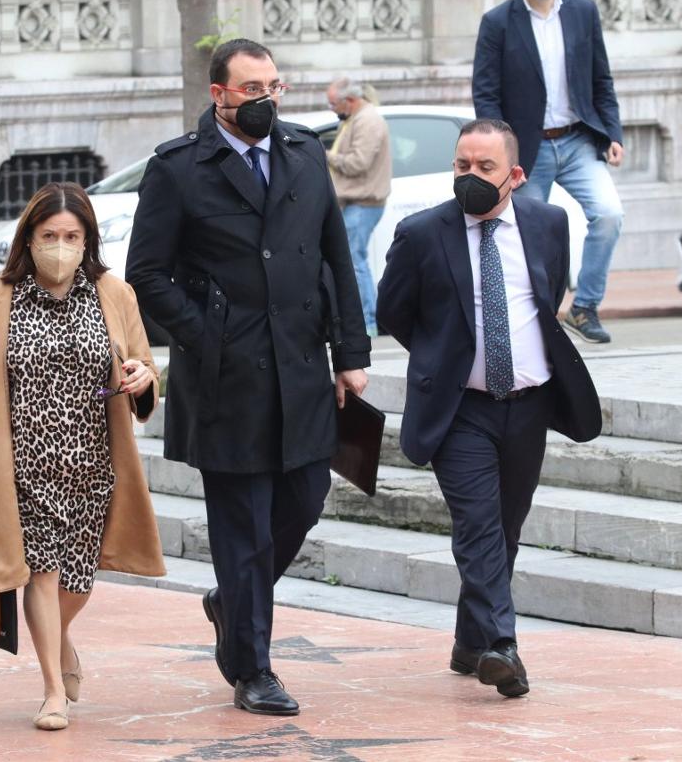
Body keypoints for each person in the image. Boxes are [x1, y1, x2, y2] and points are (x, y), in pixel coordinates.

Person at [125, 38, 370, 717]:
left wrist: (351, 351)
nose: (265, 99)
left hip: (301, 367)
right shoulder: (178, 169)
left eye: (273, 86)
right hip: (225, 379)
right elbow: (146, 273)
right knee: (244, 526)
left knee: (306, 498)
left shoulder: (303, 155)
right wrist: (209, 334)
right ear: (219, 96)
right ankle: (253, 667)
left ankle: (231, 602)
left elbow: (335, 256)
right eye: (251, 89)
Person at [377, 118, 601, 698]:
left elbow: (547, 295)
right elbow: (395, 312)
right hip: (460, 410)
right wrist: (442, 358)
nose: (470, 177)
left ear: (516, 175)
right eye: (461, 165)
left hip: (528, 406)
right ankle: (502, 646)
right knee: (477, 526)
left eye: (485, 168)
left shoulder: (548, 223)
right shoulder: (423, 233)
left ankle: (468, 640)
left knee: (505, 528)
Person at [0, 182, 165, 731]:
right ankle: (51, 691)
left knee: (79, 581)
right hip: (21, 462)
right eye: (49, 235)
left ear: (88, 239)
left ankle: (60, 639)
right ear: (29, 237)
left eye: (72, 235)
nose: (61, 246)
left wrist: (142, 377)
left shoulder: (113, 293)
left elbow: (142, 364)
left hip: (94, 463)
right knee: (39, 574)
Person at [472, 0, 625, 344]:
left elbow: (601, 79)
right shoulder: (498, 23)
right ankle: (536, 316)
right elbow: (485, 92)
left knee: (609, 214)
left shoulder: (582, 12)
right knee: (526, 236)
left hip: (577, 140)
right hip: (527, 148)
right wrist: (499, 150)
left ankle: (584, 306)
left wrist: (612, 132)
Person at [325, 77, 391, 337]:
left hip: (363, 203)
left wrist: (325, 154)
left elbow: (357, 163)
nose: (332, 108)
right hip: (356, 202)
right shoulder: (357, 119)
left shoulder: (367, 120)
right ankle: (365, 319)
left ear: (349, 100)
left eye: (333, 103)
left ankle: (368, 321)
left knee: (355, 261)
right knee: (355, 259)